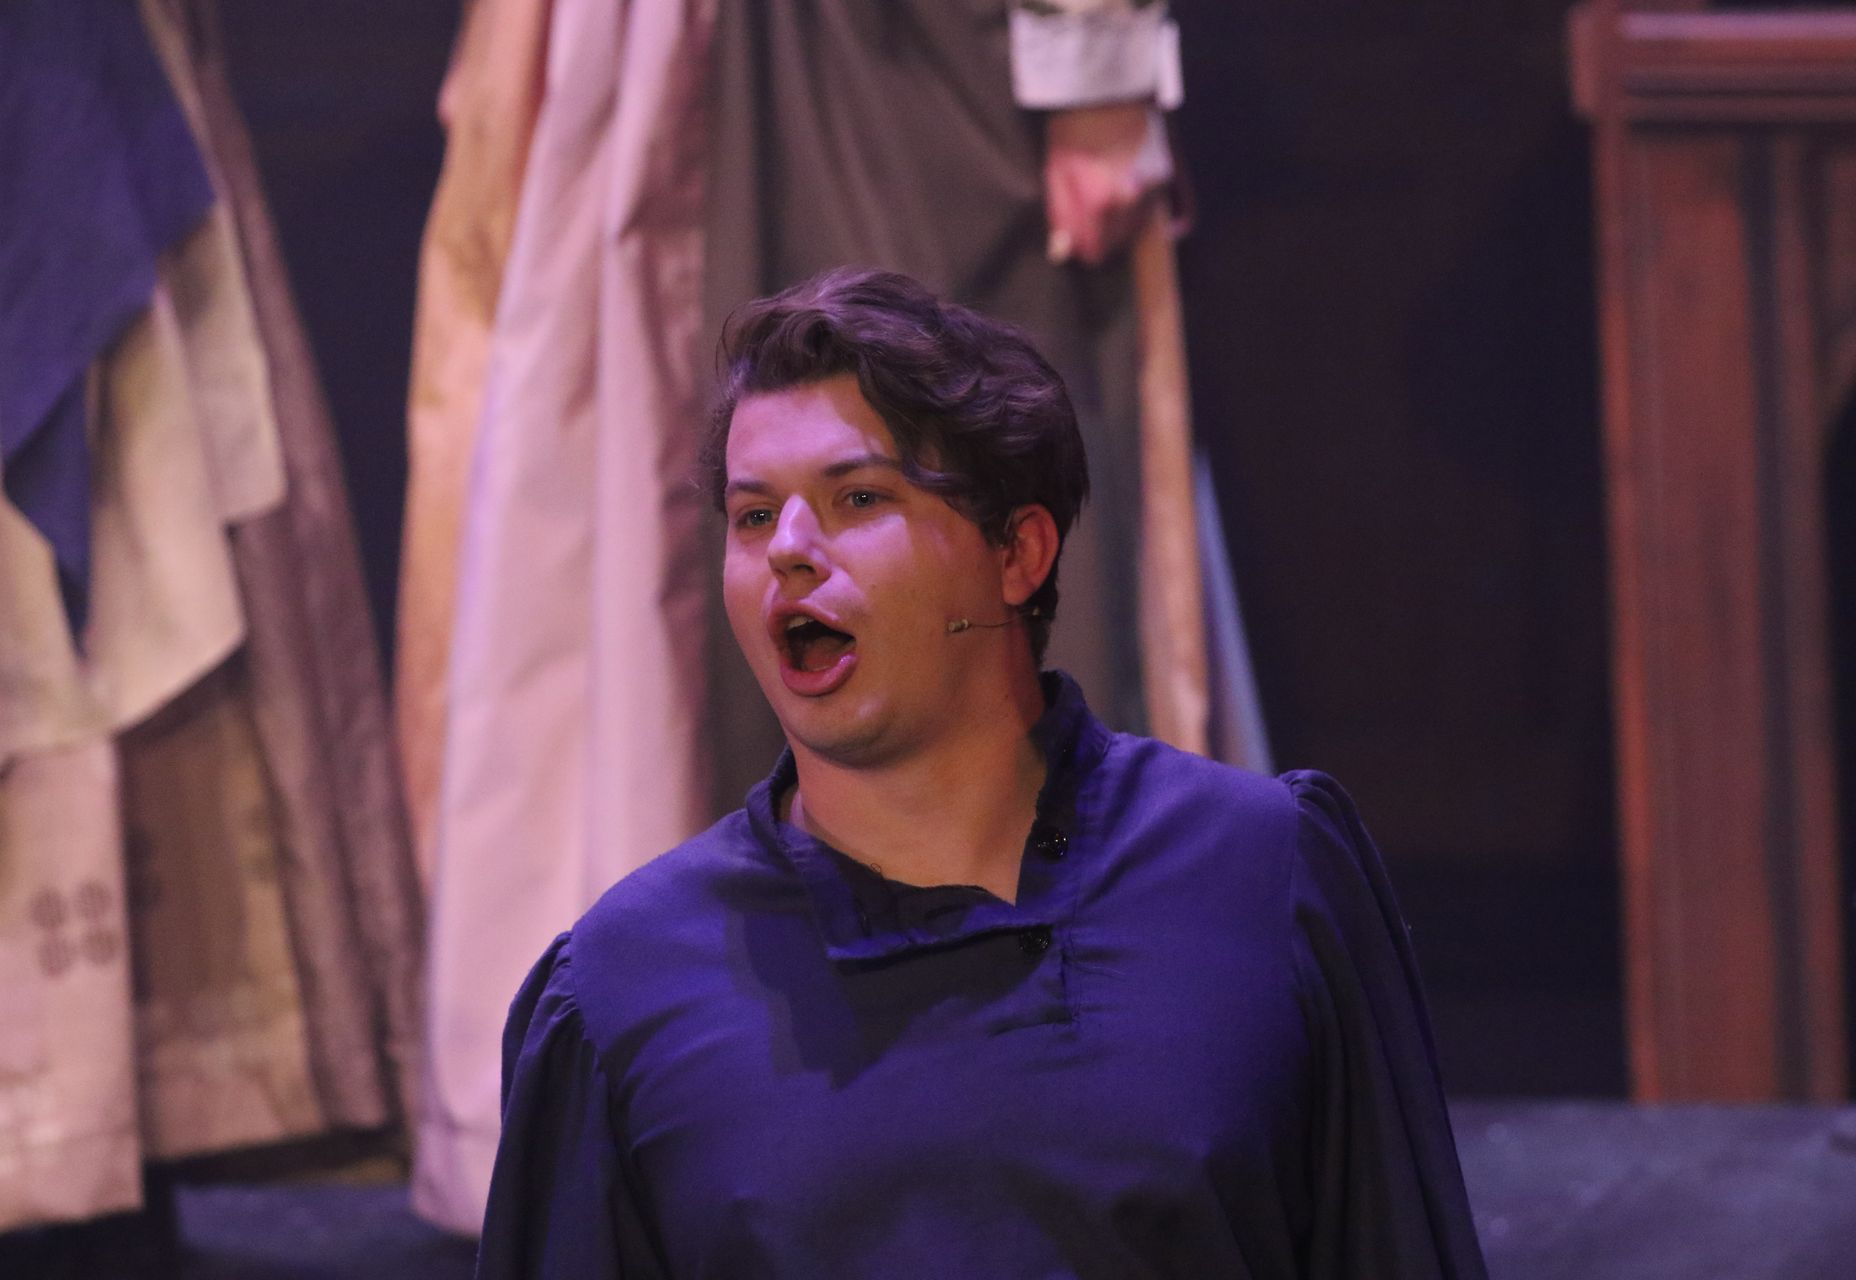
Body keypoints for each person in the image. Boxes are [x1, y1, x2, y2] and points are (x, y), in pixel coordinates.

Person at [473, 268, 1487, 1278]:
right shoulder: (624, 988)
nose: (788, 549)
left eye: (857, 497)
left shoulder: (1261, 873)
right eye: (753, 515)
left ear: (1017, 553)